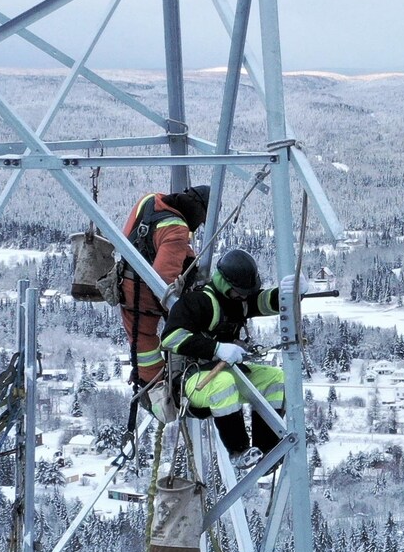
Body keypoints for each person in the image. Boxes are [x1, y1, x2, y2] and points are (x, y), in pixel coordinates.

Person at [161, 246, 300, 467]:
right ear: (226, 285)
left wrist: (289, 294)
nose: (244, 296)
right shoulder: (198, 302)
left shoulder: (239, 302)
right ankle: (238, 451)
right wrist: (216, 349)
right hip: (193, 381)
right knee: (222, 384)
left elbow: (263, 302)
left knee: (275, 379)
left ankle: (265, 448)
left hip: (225, 371)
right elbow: (170, 338)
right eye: (240, 292)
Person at [119, 185, 209, 391]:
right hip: (144, 292)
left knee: (139, 342)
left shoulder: (151, 200)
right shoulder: (177, 228)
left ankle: (148, 382)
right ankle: (158, 389)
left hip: (126, 281)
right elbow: (163, 282)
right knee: (151, 343)